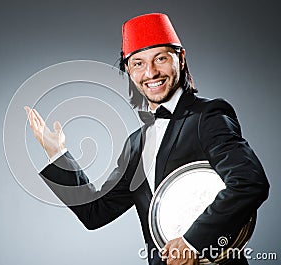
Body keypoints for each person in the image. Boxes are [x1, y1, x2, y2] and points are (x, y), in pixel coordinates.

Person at [24, 13, 269, 265]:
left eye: (160, 58)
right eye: (138, 63)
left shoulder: (208, 116)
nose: (150, 72)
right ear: (128, 71)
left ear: (180, 59)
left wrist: (193, 242)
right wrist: (58, 154)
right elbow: (95, 213)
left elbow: (249, 183)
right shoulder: (135, 145)